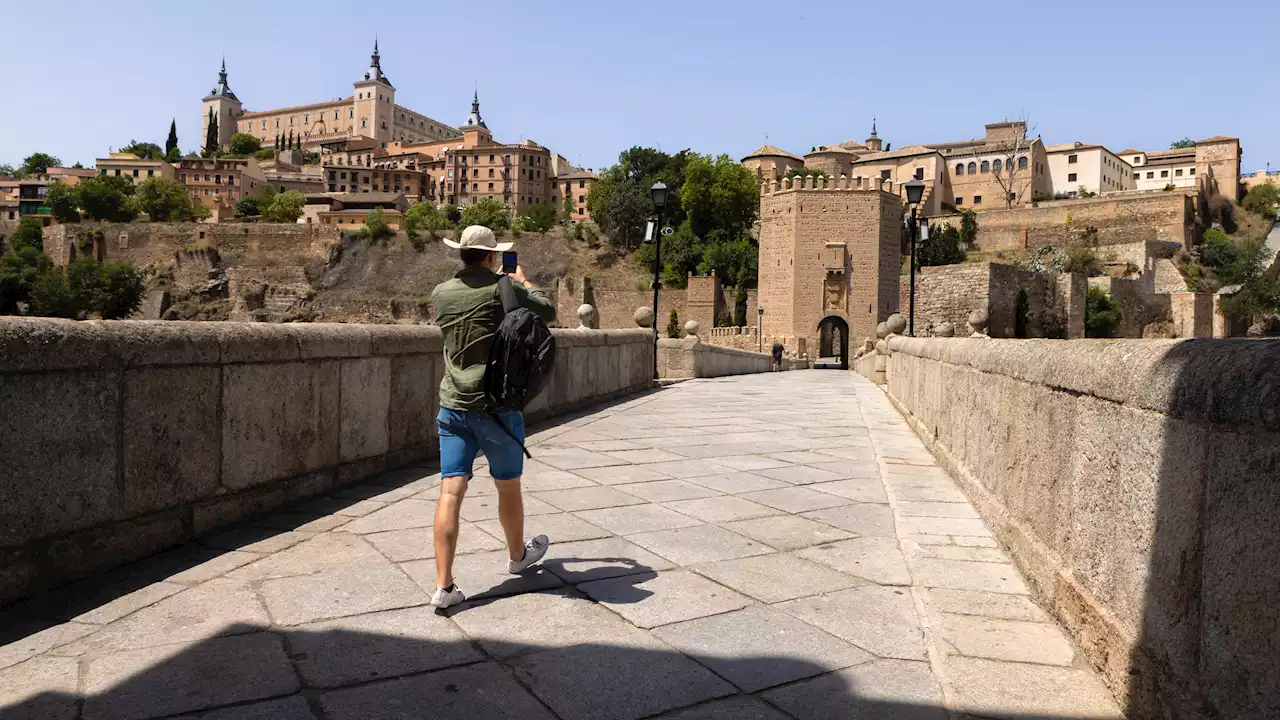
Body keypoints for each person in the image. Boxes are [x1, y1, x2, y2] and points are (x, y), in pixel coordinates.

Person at [427, 225, 557, 609]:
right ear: (490, 256)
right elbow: (547, 310)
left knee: (450, 491)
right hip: (497, 409)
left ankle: (444, 586)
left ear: (461, 254)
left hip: (453, 405)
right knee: (508, 486)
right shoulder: (503, 288)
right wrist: (521, 280)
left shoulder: (440, 293)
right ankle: (518, 557)